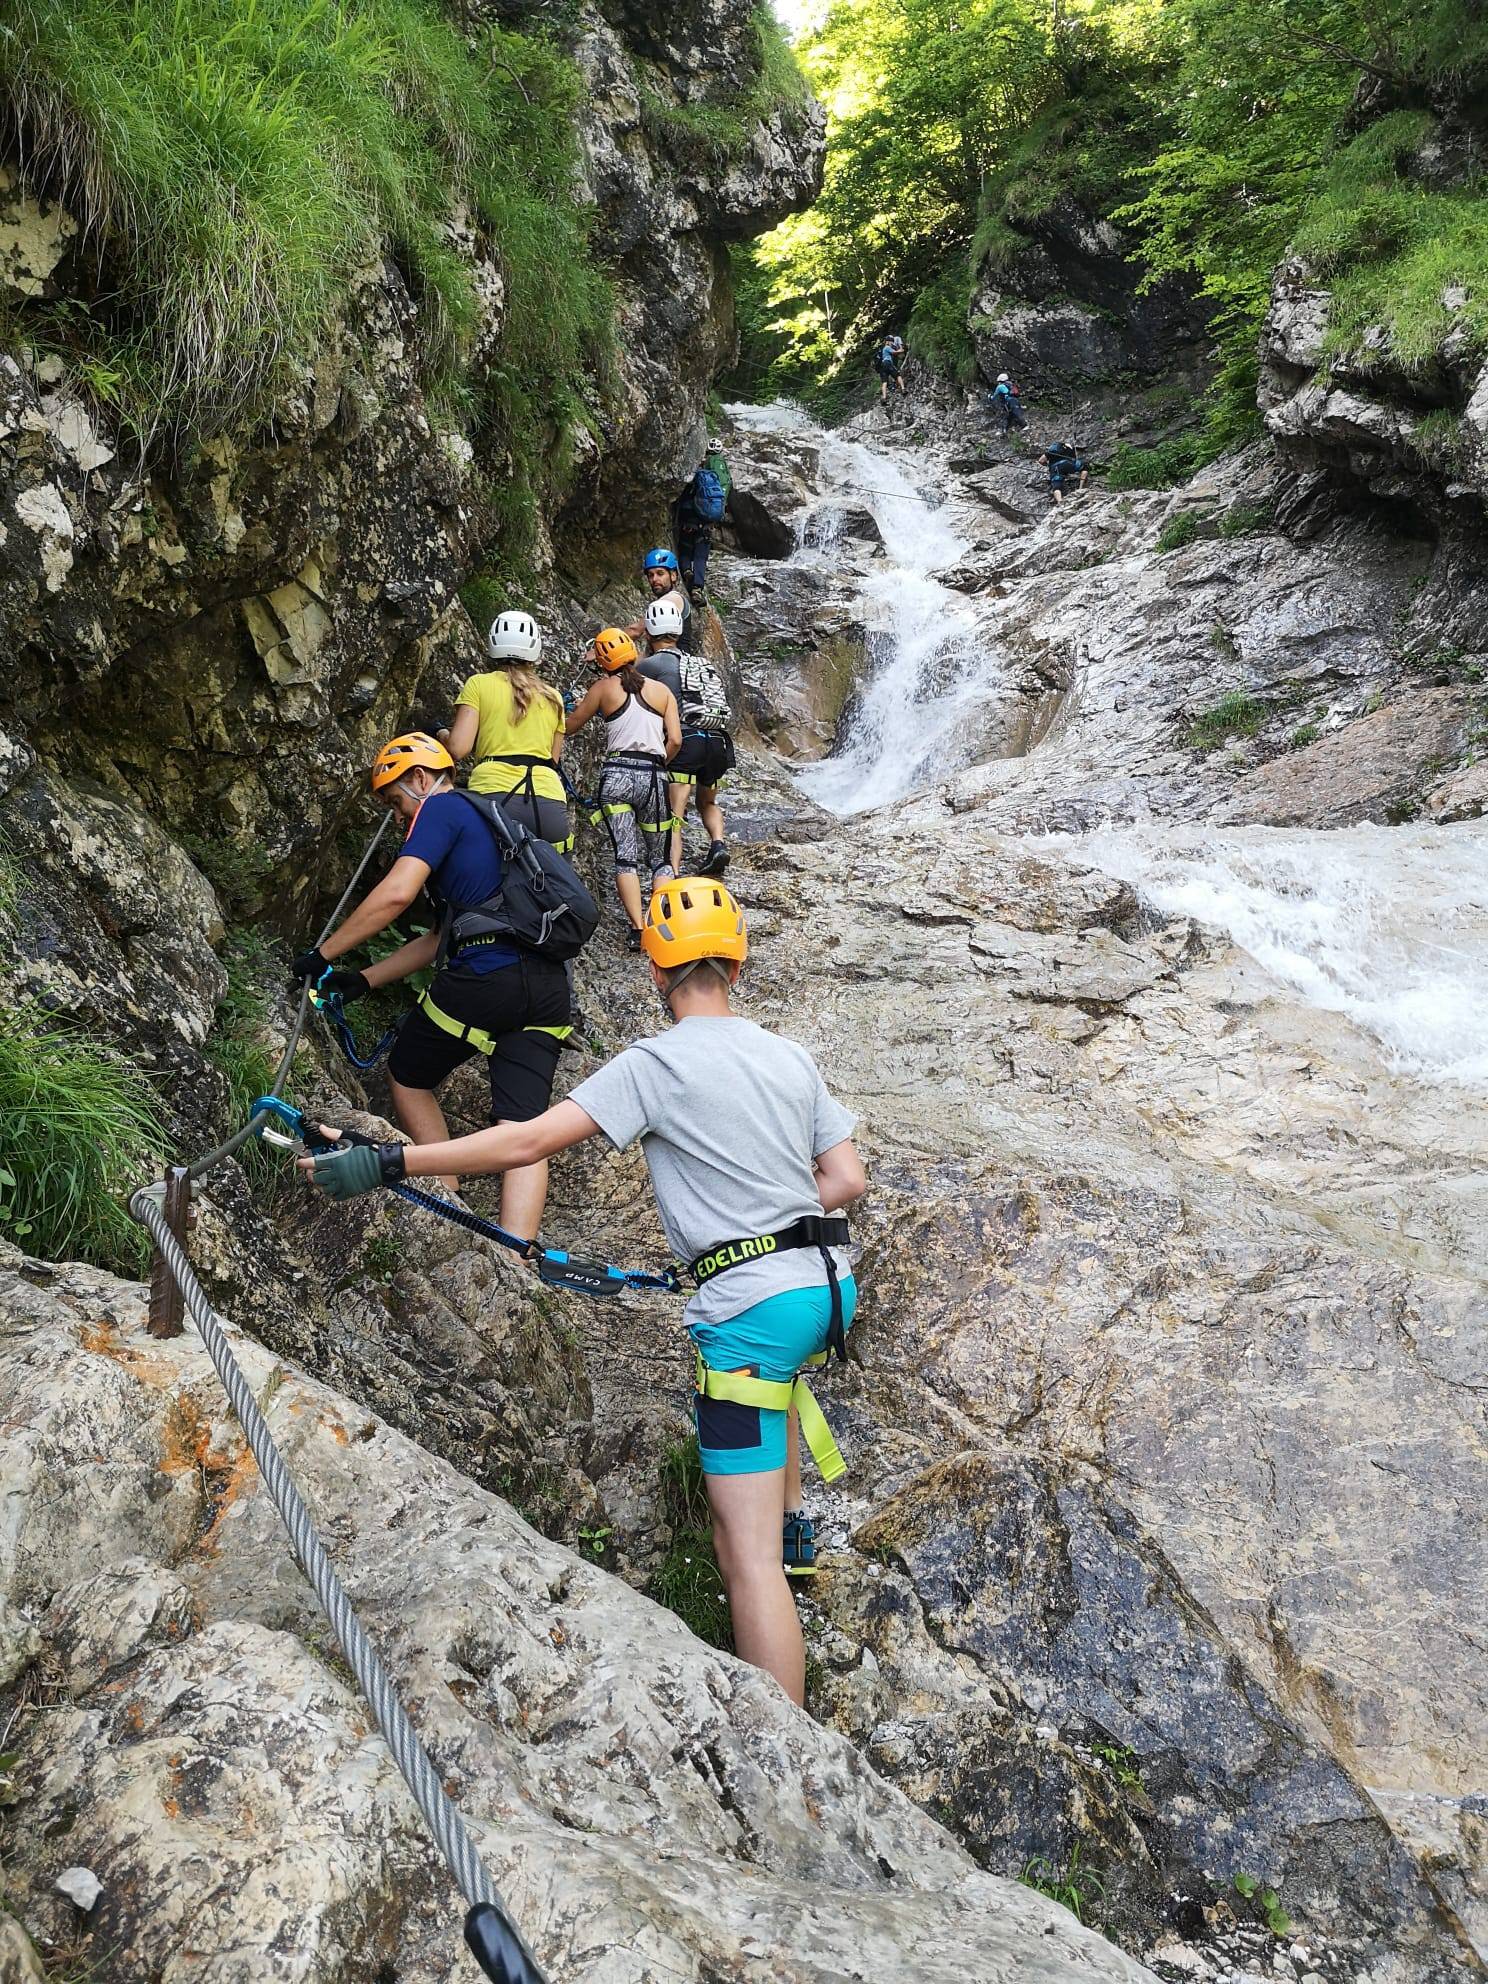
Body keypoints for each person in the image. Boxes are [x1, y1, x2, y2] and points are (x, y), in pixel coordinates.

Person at [300, 877, 868, 1708]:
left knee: (737, 1555)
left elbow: (525, 1139)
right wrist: (765, 1220)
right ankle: (797, 1539)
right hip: (827, 1289)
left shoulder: (654, 1062)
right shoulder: (790, 1054)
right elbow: (844, 1177)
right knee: (778, 1386)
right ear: (737, 967)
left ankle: (786, 1746)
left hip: (754, 1312)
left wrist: (388, 1162)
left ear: (654, 973)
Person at [289, 732, 570, 1233]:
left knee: (408, 1073)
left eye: (396, 802)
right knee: (523, 1129)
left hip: (487, 977)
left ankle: (449, 1196)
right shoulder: (490, 824)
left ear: (421, 778)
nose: (399, 818)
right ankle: (516, 1251)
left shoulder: (440, 810)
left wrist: (322, 954)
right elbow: (440, 938)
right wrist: (364, 980)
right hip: (548, 987)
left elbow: (397, 894)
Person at [566, 627, 681, 949]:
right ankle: (659, 923)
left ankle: (637, 928)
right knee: (659, 860)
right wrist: (660, 764)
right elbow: (675, 740)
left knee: (625, 857)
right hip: (653, 776)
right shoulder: (662, 692)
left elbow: (571, 726)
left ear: (603, 661)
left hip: (616, 776)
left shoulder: (602, 689)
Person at [438, 611, 571, 852]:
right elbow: (552, 759)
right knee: (555, 884)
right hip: (548, 802)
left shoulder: (479, 684)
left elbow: (458, 748)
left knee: (489, 882)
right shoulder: (554, 697)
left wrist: (440, 734)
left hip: (494, 796)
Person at [641, 597, 732, 879]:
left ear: (648, 632)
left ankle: (674, 875)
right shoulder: (698, 662)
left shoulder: (650, 664)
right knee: (708, 802)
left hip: (686, 741)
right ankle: (717, 843)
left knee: (674, 818)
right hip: (717, 741)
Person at [673, 439, 731, 602]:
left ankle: (685, 571)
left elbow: (681, 499)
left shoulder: (695, 479)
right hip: (706, 524)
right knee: (700, 557)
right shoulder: (716, 485)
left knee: (685, 549)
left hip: (689, 521)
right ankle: (697, 588)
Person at [628, 547, 695, 653]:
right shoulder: (662, 604)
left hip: (675, 666)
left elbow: (636, 631)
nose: (654, 579)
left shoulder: (674, 599)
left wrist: (599, 648)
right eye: (650, 575)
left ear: (673, 576)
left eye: (660, 573)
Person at [1040, 439, 1088, 505]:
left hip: (1056, 467)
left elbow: (1041, 460)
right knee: (1084, 466)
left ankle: (1060, 501)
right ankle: (1081, 488)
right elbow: (1074, 460)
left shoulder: (1053, 449)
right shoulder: (1070, 449)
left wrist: (1048, 465)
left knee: (1056, 485)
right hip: (1068, 464)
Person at [876, 333, 906, 406]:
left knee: (884, 382)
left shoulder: (883, 349)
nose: (892, 343)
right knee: (898, 375)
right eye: (891, 341)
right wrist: (902, 350)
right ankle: (903, 389)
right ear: (887, 341)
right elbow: (894, 352)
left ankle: (884, 398)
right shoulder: (887, 347)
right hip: (888, 363)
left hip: (882, 367)